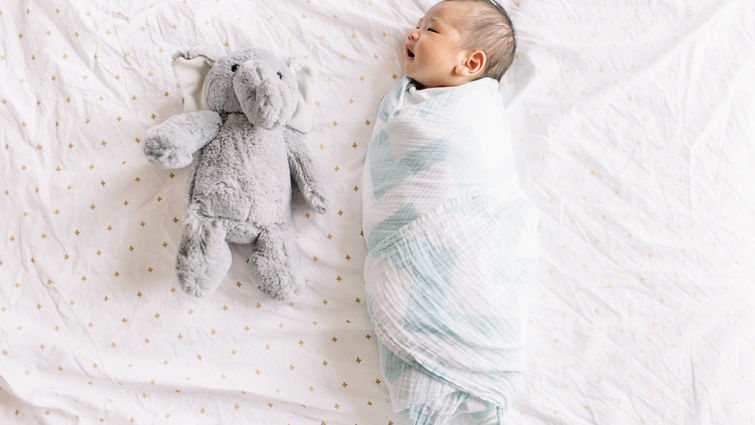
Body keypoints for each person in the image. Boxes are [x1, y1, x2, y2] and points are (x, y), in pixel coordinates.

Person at [361, 1, 538, 424]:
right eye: (419, 26)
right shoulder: (408, 107)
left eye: (430, 30)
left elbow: (488, 188)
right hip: (409, 250)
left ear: (470, 62)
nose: (413, 34)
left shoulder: (476, 113)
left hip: (476, 241)